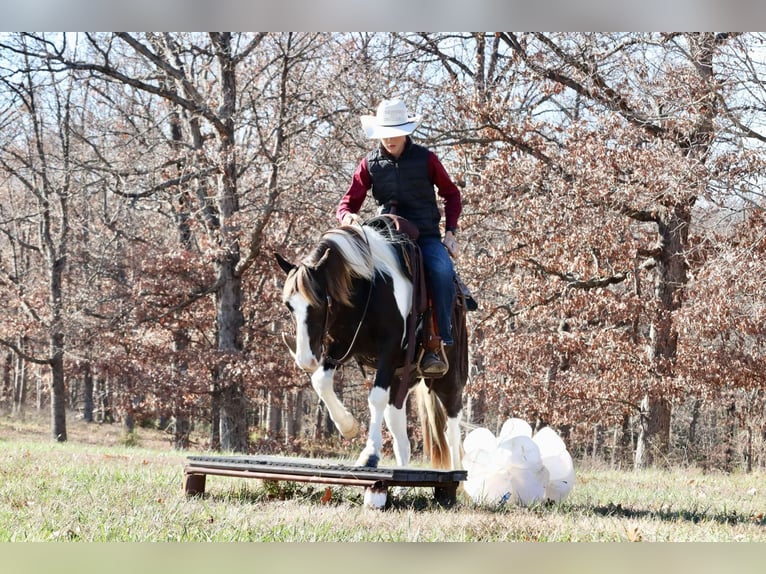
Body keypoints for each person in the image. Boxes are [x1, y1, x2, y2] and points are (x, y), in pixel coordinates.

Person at [336, 98, 462, 376]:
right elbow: (347, 203)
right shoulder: (369, 164)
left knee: (441, 271)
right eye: (385, 132)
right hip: (386, 235)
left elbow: (451, 194)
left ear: (406, 131)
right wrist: (347, 218)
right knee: (351, 270)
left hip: (425, 234)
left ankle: (436, 342)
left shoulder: (426, 159)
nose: (390, 138)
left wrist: (450, 232)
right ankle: (345, 339)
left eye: (395, 132)